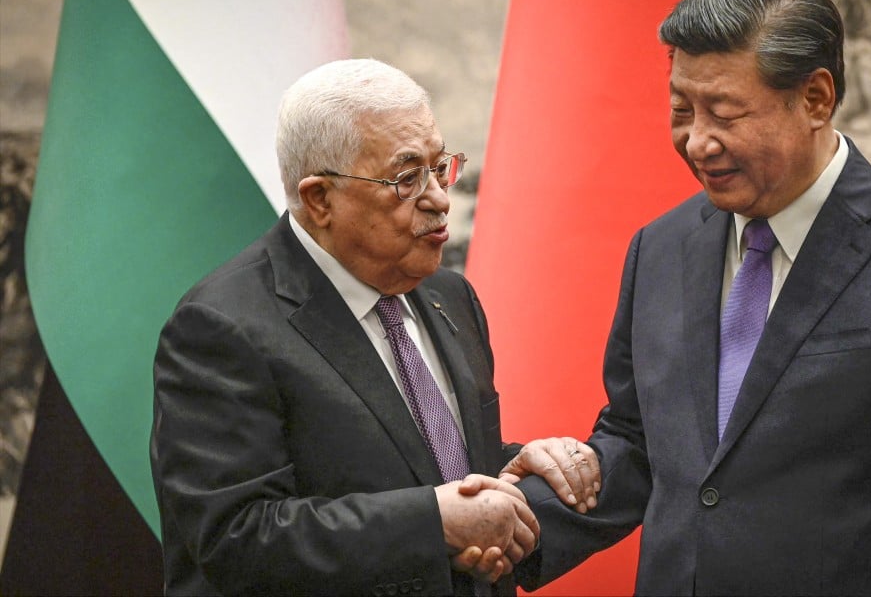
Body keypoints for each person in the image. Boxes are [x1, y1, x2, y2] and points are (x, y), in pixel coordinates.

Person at [505, 0, 871, 595]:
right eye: (681, 110)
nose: (697, 141)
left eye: (724, 113)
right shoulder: (660, 248)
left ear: (816, 99)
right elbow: (643, 440)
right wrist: (513, 523)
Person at [149, 59, 592, 596]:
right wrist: (432, 523)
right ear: (319, 200)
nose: (439, 197)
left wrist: (513, 467)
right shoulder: (221, 327)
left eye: (440, 166)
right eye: (406, 178)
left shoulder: (450, 295)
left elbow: (418, 463)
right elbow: (235, 537)